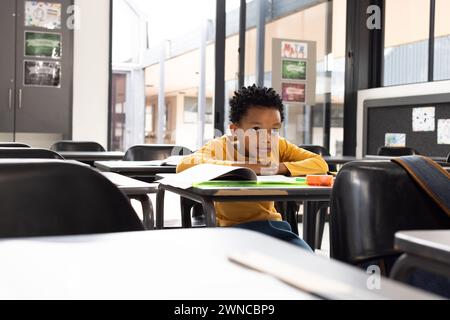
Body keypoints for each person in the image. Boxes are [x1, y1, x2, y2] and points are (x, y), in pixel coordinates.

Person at [177, 85, 329, 251]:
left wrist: (280, 168)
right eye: (256, 129)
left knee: (307, 260)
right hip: (231, 233)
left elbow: (320, 163)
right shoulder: (221, 146)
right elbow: (184, 165)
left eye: (274, 129)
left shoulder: (278, 145)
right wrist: (245, 166)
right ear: (235, 131)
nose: (267, 138)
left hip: (274, 229)